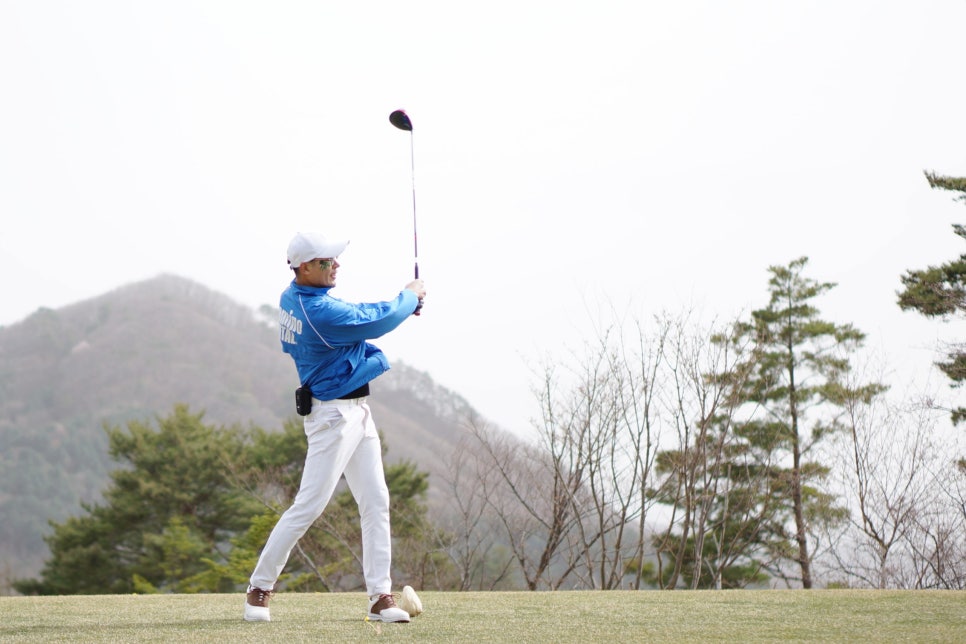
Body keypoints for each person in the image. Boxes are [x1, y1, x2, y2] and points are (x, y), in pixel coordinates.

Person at [244, 231, 426, 623]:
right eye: (327, 262)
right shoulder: (318, 312)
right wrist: (408, 296)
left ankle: (380, 597)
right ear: (305, 267)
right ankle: (259, 589)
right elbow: (374, 319)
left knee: (376, 501)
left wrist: (402, 305)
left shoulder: (295, 296)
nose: (336, 265)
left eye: (335, 259)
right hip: (332, 418)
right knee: (307, 506)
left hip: (357, 412)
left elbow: (359, 315)